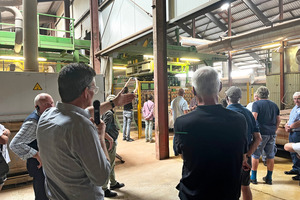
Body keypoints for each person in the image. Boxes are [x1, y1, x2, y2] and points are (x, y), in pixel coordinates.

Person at [36, 63, 135, 200]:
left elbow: (81, 112)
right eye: (94, 87)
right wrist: (100, 137)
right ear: (86, 92)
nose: (95, 91)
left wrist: (114, 103)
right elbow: (101, 177)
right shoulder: (81, 127)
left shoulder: (47, 115)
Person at [174, 67, 248, 200]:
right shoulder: (239, 120)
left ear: (193, 90)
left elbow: (183, 156)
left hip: (193, 193)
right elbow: (242, 154)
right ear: (219, 87)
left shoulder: (182, 123)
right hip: (227, 193)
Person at [9, 93, 54, 200]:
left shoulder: (46, 116)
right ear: (37, 107)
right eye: (46, 104)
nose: (50, 107)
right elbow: (14, 144)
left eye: (51, 103)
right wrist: (36, 154)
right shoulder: (33, 123)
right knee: (42, 195)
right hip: (39, 165)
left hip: (48, 164)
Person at [226, 86, 262, 200]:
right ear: (240, 97)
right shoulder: (248, 113)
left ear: (227, 98)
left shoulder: (225, 113)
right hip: (245, 157)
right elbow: (258, 138)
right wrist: (247, 155)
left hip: (227, 158)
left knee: (227, 188)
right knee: (245, 186)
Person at [250, 86, 280, 185]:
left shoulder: (256, 104)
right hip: (271, 133)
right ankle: (269, 178)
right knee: (270, 155)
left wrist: (251, 131)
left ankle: (253, 177)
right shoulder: (274, 105)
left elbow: (254, 117)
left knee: (255, 154)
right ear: (268, 94)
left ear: (258, 94)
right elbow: (278, 119)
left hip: (260, 133)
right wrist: (274, 130)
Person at [101, 94, 125, 198]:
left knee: (112, 164)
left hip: (108, 141)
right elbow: (103, 129)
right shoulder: (109, 114)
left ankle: (113, 182)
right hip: (108, 142)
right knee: (109, 165)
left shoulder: (106, 112)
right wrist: (110, 139)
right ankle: (104, 189)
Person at [246, 92, 268, 166]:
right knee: (257, 142)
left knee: (263, 144)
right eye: (255, 96)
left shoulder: (262, 105)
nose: (256, 97)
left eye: (257, 96)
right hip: (255, 126)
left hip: (260, 127)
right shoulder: (250, 105)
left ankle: (264, 159)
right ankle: (253, 157)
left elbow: (254, 116)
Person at [284, 92, 300, 181]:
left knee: (298, 153)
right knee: (293, 152)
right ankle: (296, 169)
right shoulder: (294, 108)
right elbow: (290, 120)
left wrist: (291, 126)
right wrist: (287, 125)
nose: (296, 100)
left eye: (298, 98)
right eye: (295, 99)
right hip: (292, 133)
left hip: (298, 133)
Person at [171, 88, 188, 156]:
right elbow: (185, 113)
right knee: (183, 136)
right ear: (183, 94)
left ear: (177, 93)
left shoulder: (173, 101)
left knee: (175, 136)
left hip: (175, 121)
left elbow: (172, 112)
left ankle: (175, 151)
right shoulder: (184, 101)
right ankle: (181, 151)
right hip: (182, 122)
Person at [122, 78, 138, 142]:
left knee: (124, 124)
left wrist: (128, 80)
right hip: (129, 111)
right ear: (128, 90)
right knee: (128, 125)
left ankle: (124, 137)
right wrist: (136, 80)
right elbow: (136, 88)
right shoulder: (130, 95)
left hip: (124, 111)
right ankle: (128, 138)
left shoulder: (123, 95)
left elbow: (124, 87)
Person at [0, 124, 11, 191]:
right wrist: (5, 133)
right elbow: (4, 140)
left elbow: (8, 131)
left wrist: (5, 132)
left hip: (2, 159)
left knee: (2, 182)